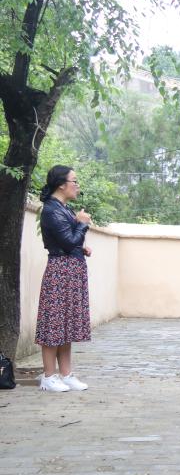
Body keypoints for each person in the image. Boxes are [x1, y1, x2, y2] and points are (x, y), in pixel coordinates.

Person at [36, 165, 92, 392]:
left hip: (70, 270)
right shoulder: (52, 210)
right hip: (60, 272)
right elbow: (68, 243)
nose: (77, 186)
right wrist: (82, 224)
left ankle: (66, 374)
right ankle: (49, 377)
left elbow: (69, 241)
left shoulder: (63, 209)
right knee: (54, 324)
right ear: (61, 184)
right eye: (74, 181)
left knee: (66, 324)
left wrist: (81, 247)